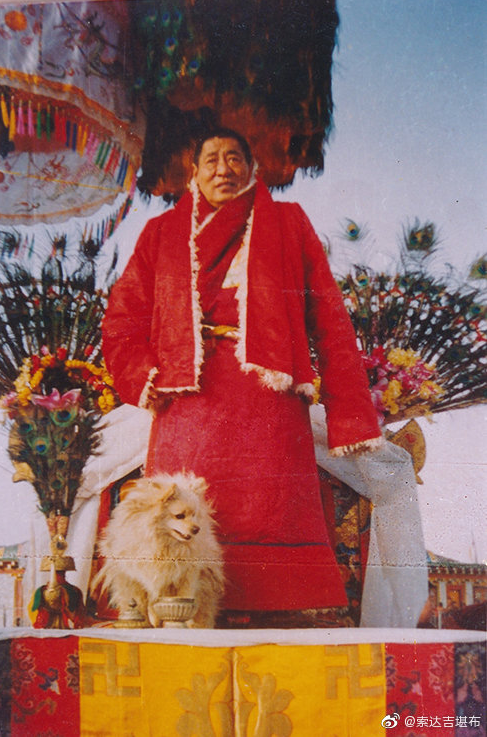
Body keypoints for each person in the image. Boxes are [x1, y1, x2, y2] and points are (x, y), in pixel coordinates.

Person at [101, 128, 382, 623]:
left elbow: (329, 316)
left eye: (234, 158)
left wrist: (350, 414)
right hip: (187, 399)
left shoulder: (289, 222)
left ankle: (278, 606)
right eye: (211, 159)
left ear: (253, 169)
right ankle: (178, 601)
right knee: (184, 508)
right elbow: (123, 318)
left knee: (269, 504)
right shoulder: (161, 232)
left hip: (267, 399)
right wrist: (145, 376)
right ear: (193, 172)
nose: (223, 169)